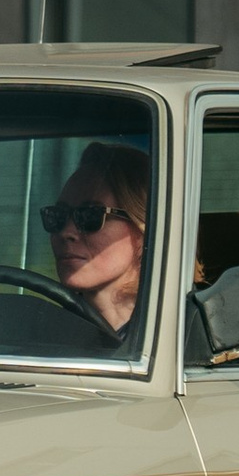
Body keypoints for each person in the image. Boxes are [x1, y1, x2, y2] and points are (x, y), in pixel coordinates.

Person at [44, 141, 152, 336]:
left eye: (91, 216)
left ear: (143, 228)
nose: (65, 232)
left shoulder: (184, 337)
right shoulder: (44, 335)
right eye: (57, 216)